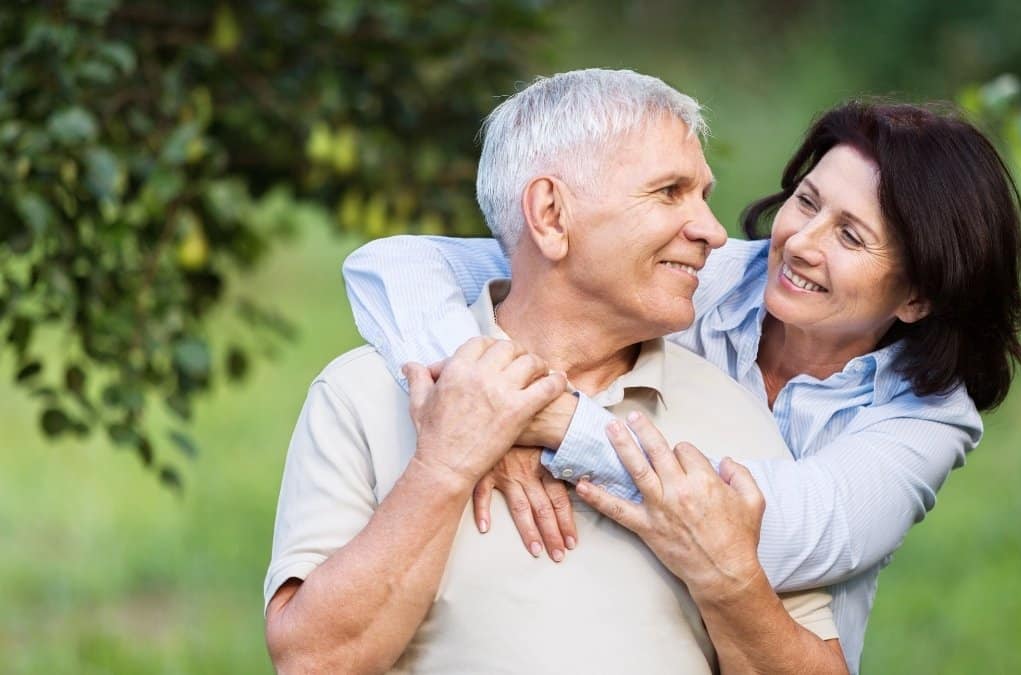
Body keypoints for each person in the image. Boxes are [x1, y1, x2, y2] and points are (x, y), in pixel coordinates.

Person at [342, 94, 1021, 672]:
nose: (800, 242)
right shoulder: (696, 276)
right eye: (807, 200)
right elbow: (394, 267)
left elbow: (763, 529)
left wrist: (548, 420)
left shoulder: (929, 418)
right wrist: (484, 390)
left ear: (915, 296)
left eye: (851, 237)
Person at [265, 68, 847, 674]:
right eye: (669, 192)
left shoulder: (734, 416)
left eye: (703, 195)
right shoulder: (361, 395)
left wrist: (730, 581)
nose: (713, 231)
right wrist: (444, 465)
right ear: (550, 213)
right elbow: (313, 663)